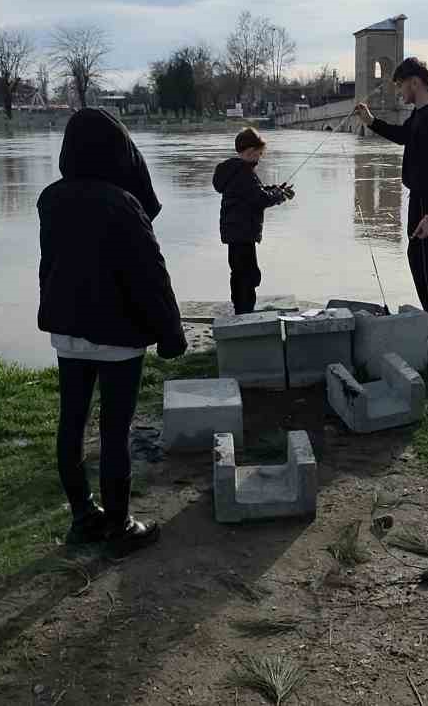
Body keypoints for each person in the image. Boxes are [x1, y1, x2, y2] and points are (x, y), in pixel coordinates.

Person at [37, 108, 187, 556]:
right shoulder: (124, 204)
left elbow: (53, 266)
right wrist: (171, 332)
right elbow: (151, 276)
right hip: (119, 336)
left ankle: (83, 517)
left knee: (72, 422)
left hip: (68, 332)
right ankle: (120, 526)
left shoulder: (50, 198)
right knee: (114, 430)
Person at [354, 57, 428, 353]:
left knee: (427, 265)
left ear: (415, 82)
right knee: (420, 260)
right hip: (425, 199)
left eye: (401, 86)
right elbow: (404, 136)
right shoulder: (420, 115)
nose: (400, 93)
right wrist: (372, 121)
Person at [212, 126, 295, 315]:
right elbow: (261, 199)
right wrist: (280, 195)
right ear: (250, 152)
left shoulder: (233, 170)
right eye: (259, 154)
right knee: (248, 274)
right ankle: (244, 311)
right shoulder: (244, 172)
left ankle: (241, 307)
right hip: (243, 232)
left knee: (240, 272)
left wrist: (275, 189)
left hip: (235, 232)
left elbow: (254, 192)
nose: (260, 158)